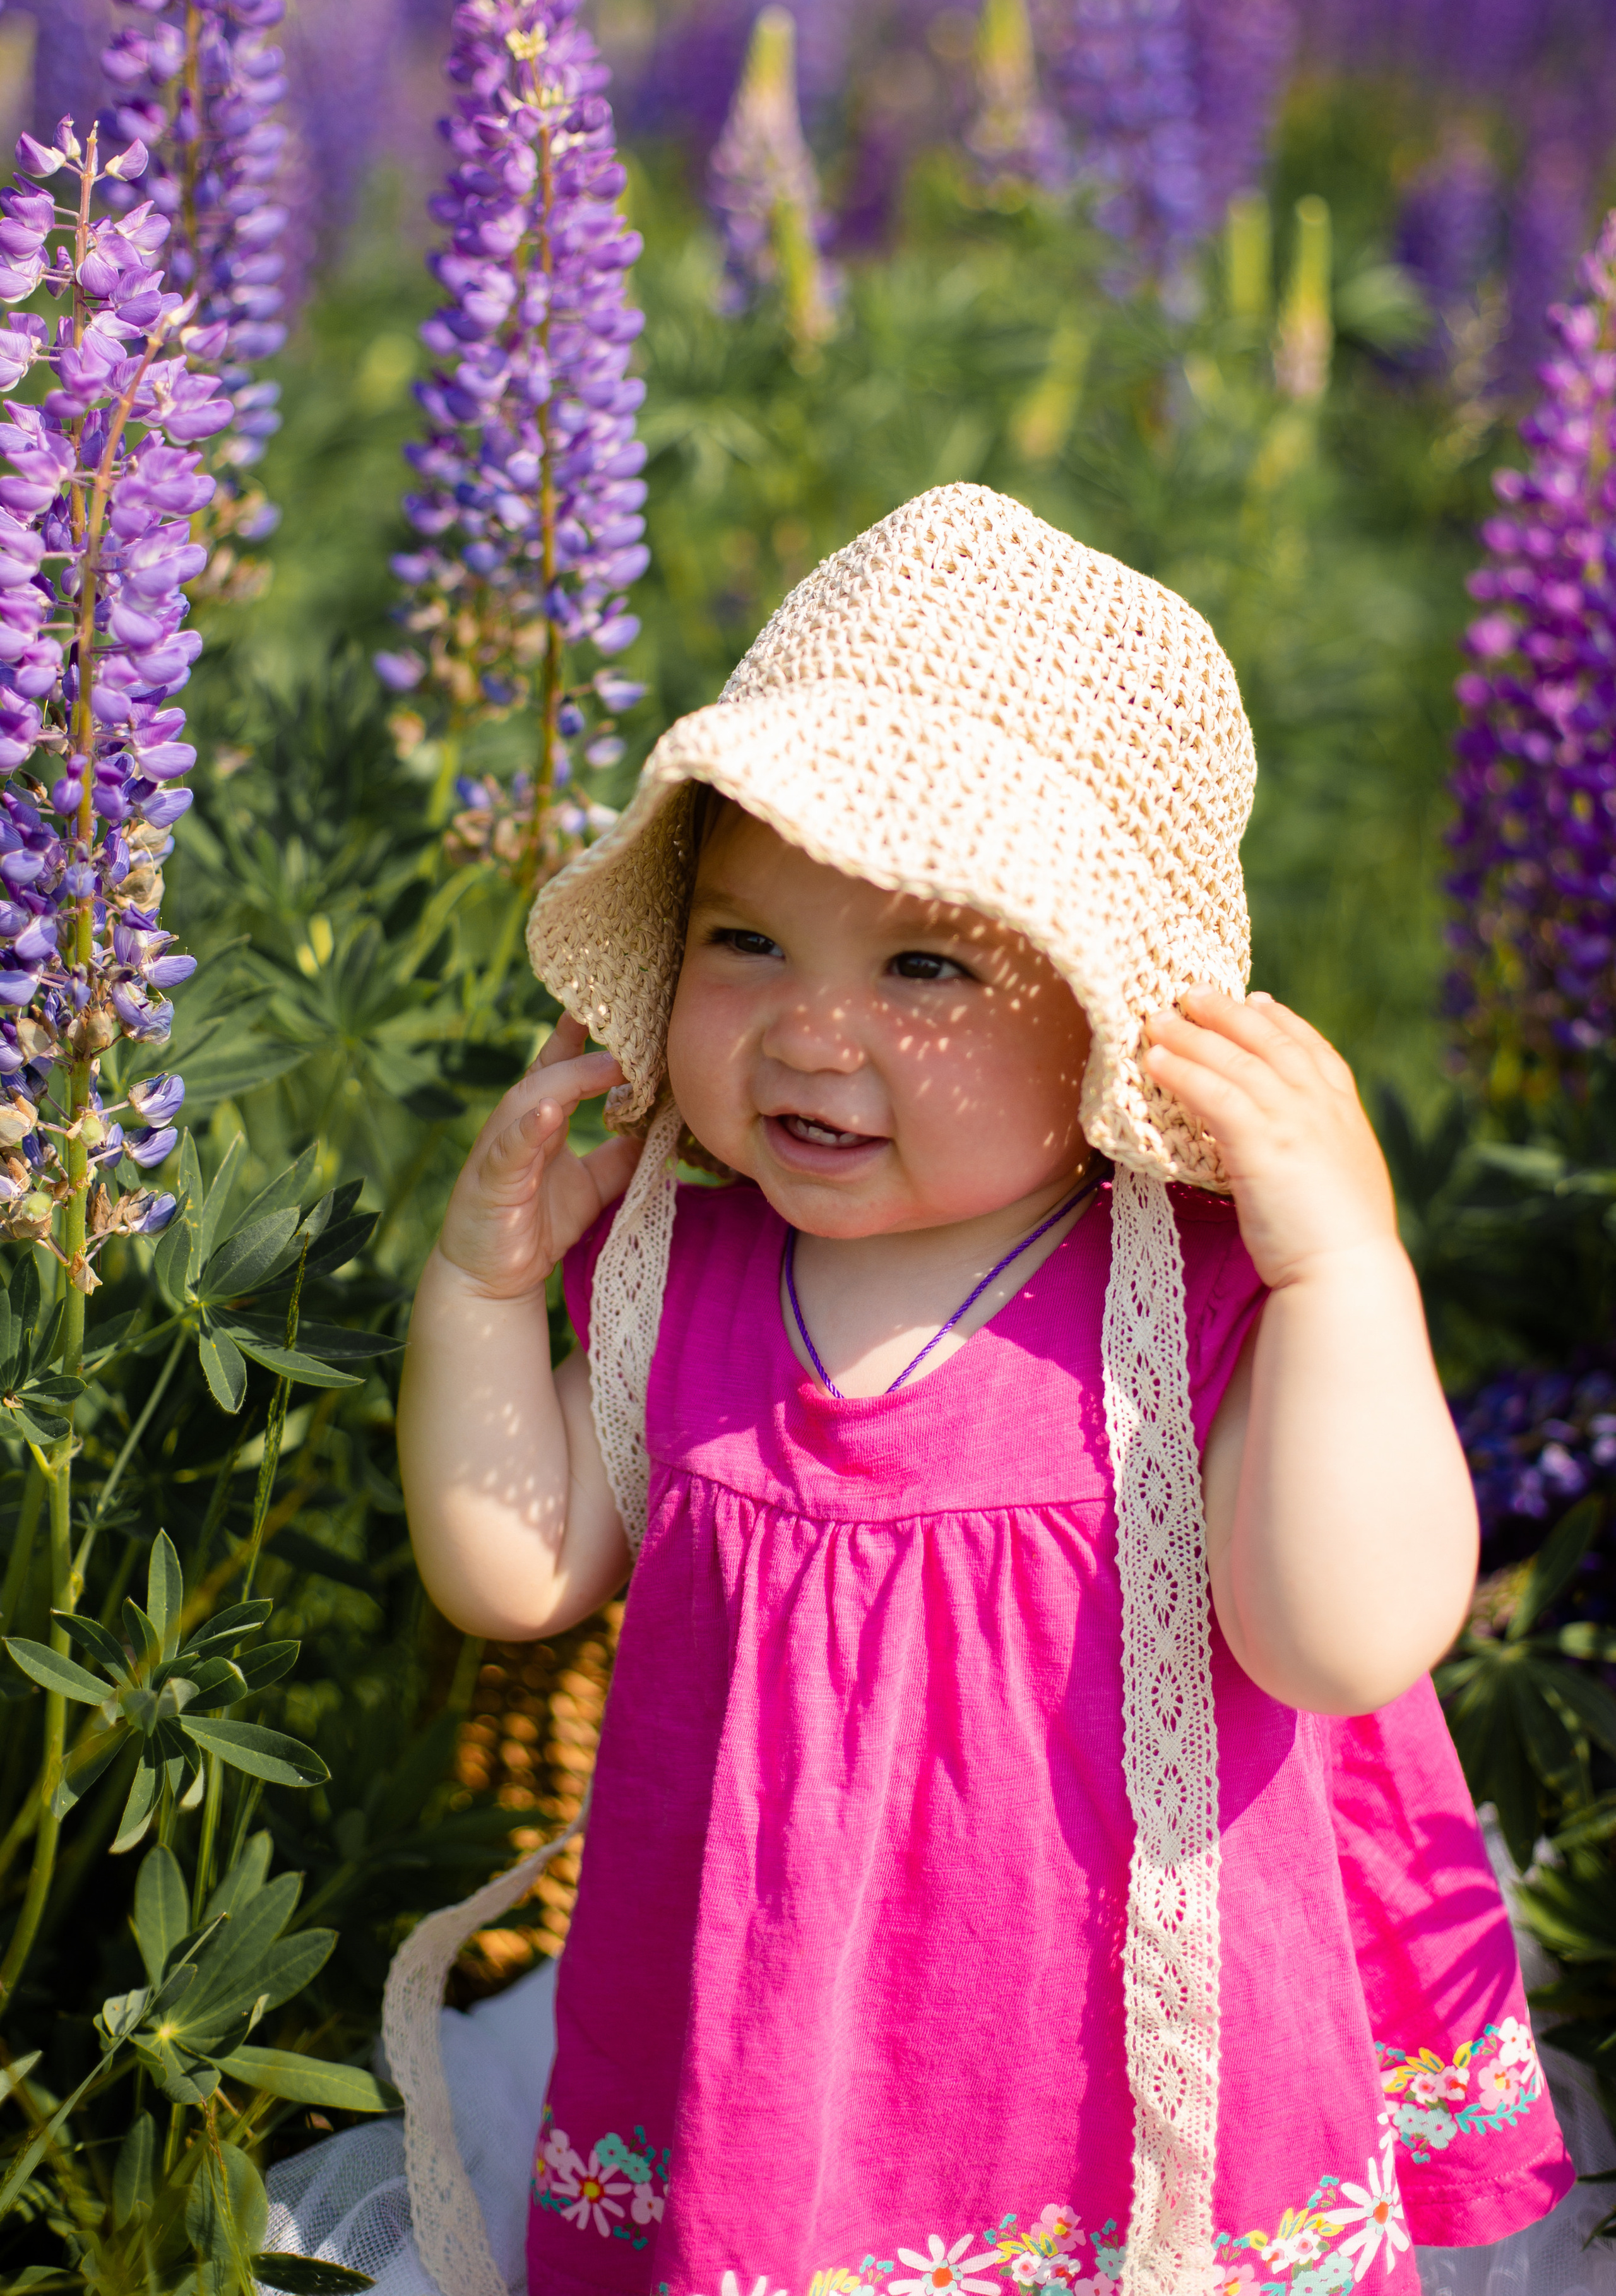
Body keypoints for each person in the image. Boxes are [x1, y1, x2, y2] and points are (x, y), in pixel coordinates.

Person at [395, 487, 1574, 2296]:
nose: (809, 1027)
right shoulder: (682, 1271)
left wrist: (1348, 1275)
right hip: (773, 2089)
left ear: (1110, 1010)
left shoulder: (1196, 1295)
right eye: (746, 940)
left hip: (1117, 2090)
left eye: (923, 965)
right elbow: (516, 1572)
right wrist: (481, 1290)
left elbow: (1343, 1640)